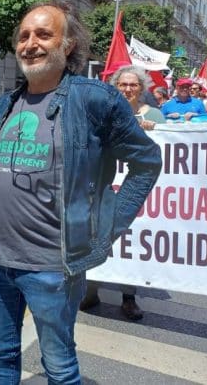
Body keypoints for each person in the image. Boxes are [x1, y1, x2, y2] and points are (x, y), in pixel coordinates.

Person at [0, 1, 161, 384]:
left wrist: (109, 225)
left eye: (43, 34)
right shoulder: (5, 106)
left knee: (59, 367)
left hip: (54, 269)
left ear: (68, 44)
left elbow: (147, 163)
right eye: (24, 36)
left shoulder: (96, 100)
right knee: (2, 356)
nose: (30, 43)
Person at [79, 65, 165, 321]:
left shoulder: (155, 115)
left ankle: (129, 298)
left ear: (142, 88)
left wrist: (152, 130)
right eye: (122, 84)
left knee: (131, 245)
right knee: (98, 235)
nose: (127, 89)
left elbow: (163, 147)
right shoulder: (104, 112)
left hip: (136, 190)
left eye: (133, 84)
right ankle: (91, 290)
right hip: (104, 186)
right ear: (115, 87)